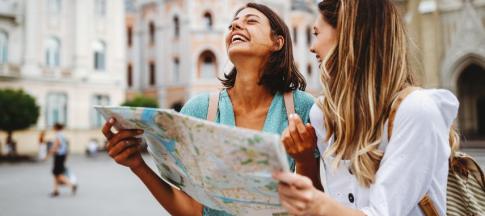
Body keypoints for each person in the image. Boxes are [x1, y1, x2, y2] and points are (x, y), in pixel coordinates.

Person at [101, 3, 316, 215]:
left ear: (277, 42)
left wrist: (304, 159)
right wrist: (138, 165)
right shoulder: (200, 109)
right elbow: (192, 209)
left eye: (250, 21)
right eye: (232, 24)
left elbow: (317, 203)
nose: (236, 27)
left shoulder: (302, 108)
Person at [273, 0, 459, 215]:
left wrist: (315, 203)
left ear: (348, 36)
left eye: (317, 33)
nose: (312, 47)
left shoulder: (416, 110)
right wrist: (304, 160)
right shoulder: (323, 114)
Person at [47, 123, 77, 197]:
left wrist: (50, 152)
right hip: (62, 156)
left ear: (56, 128)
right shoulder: (62, 135)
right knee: (56, 174)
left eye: (53, 127)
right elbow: (65, 147)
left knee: (58, 174)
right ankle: (56, 190)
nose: (53, 128)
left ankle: (72, 185)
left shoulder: (58, 135)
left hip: (59, 156)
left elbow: (57, 144)